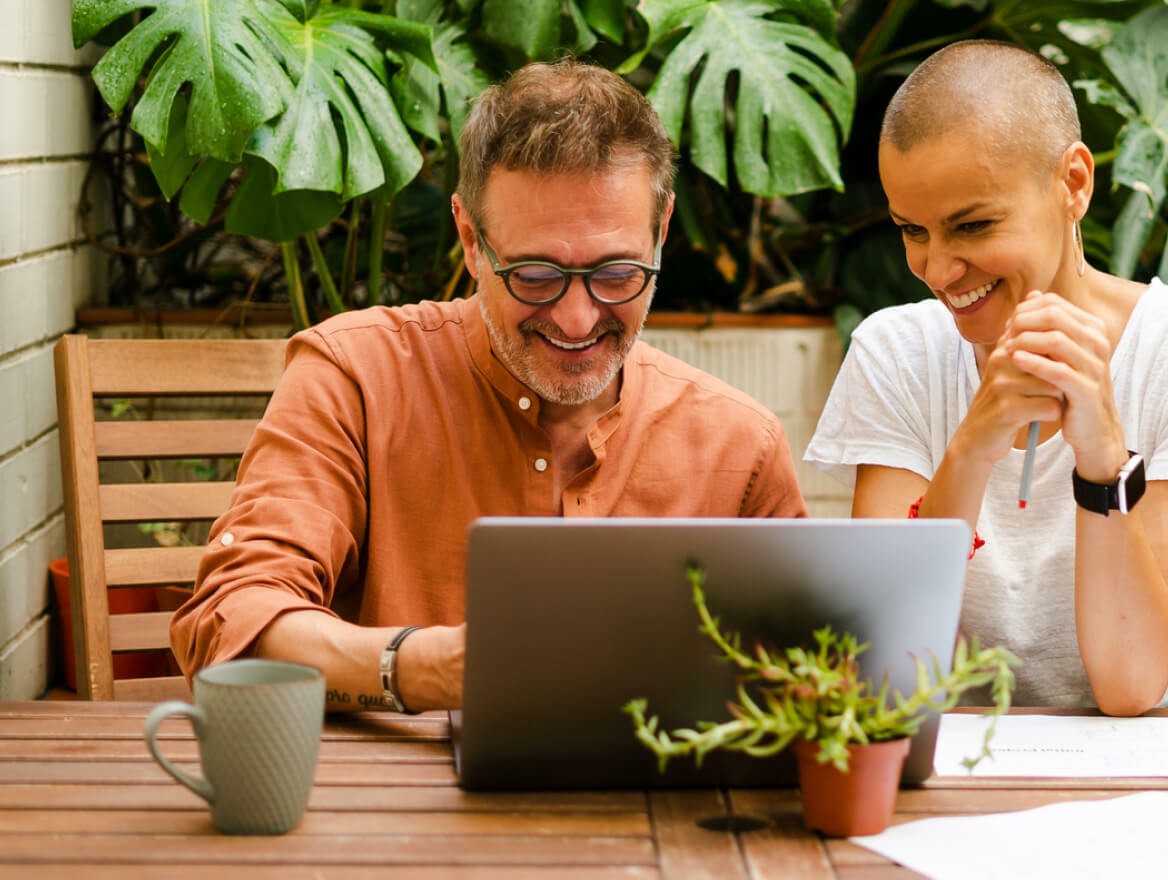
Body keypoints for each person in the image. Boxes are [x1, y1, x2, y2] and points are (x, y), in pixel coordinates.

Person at [172, 59, 807, 713]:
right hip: (383, 808)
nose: (577, 318)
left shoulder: (741, 445)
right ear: (471, 240)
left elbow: (812, 676)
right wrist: (416, 668)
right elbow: (231, 623)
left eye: (617, 273)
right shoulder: (356, 379)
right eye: (535, 275)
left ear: (662, 232)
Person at [803, 41, 1168, 715]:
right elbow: (892, 664)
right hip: (957, 742)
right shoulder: (897, 351)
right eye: (913, 231)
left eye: (972, 225)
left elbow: (1131, 683)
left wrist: (1103, 462)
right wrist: (973, 445)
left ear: (1073, 184)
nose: (939, 270)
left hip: (1163, 736)